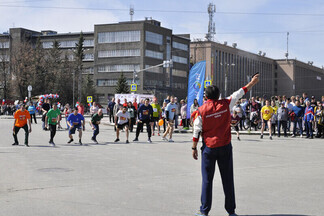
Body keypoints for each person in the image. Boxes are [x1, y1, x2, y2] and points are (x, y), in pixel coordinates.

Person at [192, 74, 259, 216]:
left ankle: (204, 211)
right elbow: (240, 92)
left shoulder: (201, 110)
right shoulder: (226, 103)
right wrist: (252, 82)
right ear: (218, 95)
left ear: (206, 97)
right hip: (225, 147)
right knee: (228, 179)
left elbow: (196, 129)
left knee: (207, 181)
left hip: (209, 149)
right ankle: (231, 211)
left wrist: (194, 148)